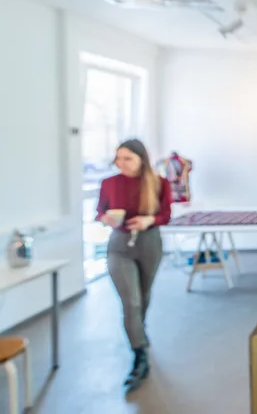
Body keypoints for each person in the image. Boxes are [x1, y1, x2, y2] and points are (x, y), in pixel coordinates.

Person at [96, 139, 172, 390]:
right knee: (132, 301)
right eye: (118, 158)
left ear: (141, 159)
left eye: (127, 158)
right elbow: (100, 211)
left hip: (149, 242)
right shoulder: (109, 183)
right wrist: (105, 218)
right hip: (119, 245)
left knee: (143, 296)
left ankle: (139, 330)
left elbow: (166, 215)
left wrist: (148, 219)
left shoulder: (158, 183)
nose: (121, 163)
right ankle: (139, 355)